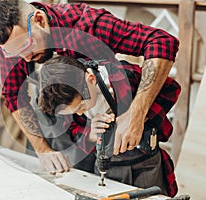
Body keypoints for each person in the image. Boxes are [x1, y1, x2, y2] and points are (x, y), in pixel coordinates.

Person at [0, 0, 180, 196]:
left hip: (94, 141)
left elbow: (162, 41)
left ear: (39, 20)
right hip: (58, 138)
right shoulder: (14, 43)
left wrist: (135, 114)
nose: (25, 58)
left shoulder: (88, 25)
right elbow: (13, 94)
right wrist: (42, 149)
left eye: (27, 46)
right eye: (15, 53)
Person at [38, 55, 181, 196]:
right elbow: (73, 129)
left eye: (81, 105)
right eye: (75, 111)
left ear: (91, 79)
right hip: (107, 165)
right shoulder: (66, 98)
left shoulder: (123, 76)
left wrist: (137, 116)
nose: (81, 112)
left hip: (145, 163)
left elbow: (171, 89)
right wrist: (90, 133)